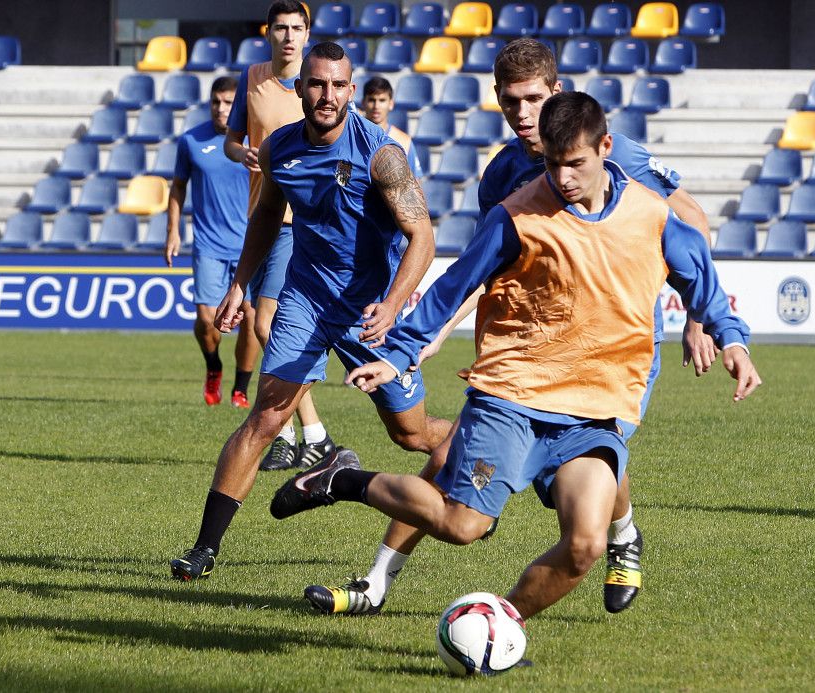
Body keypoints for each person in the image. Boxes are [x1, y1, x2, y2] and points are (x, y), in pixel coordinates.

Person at [270, 91, 761, 624]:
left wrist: (730, 338)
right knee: (462, 525)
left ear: (606, 148)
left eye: (576, 163)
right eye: (553, 163)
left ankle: (496, 625)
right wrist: (401, 351)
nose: (564, 177)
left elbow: (701, 280)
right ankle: (347, 481)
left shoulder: (652, 216)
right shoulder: (518, 213)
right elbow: (456, 285)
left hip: (595, 408)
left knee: (583, 547)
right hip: (514, 394)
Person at [169, 41, 453, 582]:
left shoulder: (381, 154)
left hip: (371, 312)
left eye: (337, 85)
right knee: (267, 417)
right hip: (304, 299)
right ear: (299, 88)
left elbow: (423, 237)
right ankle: (204, 549)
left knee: (411, 435)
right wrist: (239, 284)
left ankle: (477, 438)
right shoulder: (279, 147)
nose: (326, 95)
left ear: (351, 90)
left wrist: (392, 306)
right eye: (316, 84)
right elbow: (266, 215)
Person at [224, 0, 332, 472]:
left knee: (267, 323)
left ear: (308, 34)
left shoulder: (318, 86)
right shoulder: (252, 78)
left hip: (297, 221)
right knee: (256, 321)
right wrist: (241, 154)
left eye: (297, 28)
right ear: (267, 33)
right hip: (260, 216)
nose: (289, 36)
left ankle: (308, 435)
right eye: (281, 28)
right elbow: (232, 138)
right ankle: (299, 435)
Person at [165, 75, 259, 409]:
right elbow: (177, 187)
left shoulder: (254, 141)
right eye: (216, 102)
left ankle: (240, 388)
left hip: (250, 245)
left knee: (250, 318)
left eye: (229, 102)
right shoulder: (191, 141)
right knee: (208, 321)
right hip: (208, 245)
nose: (221, 109)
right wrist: (173, 230)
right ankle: (214, 366)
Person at [360, 76, 424, 179]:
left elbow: (416, 182)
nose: (376, 106)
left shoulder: (403, 141)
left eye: (382, 100)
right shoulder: (352, 135)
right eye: (372, 100)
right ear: (363, 102)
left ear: (391, 104)